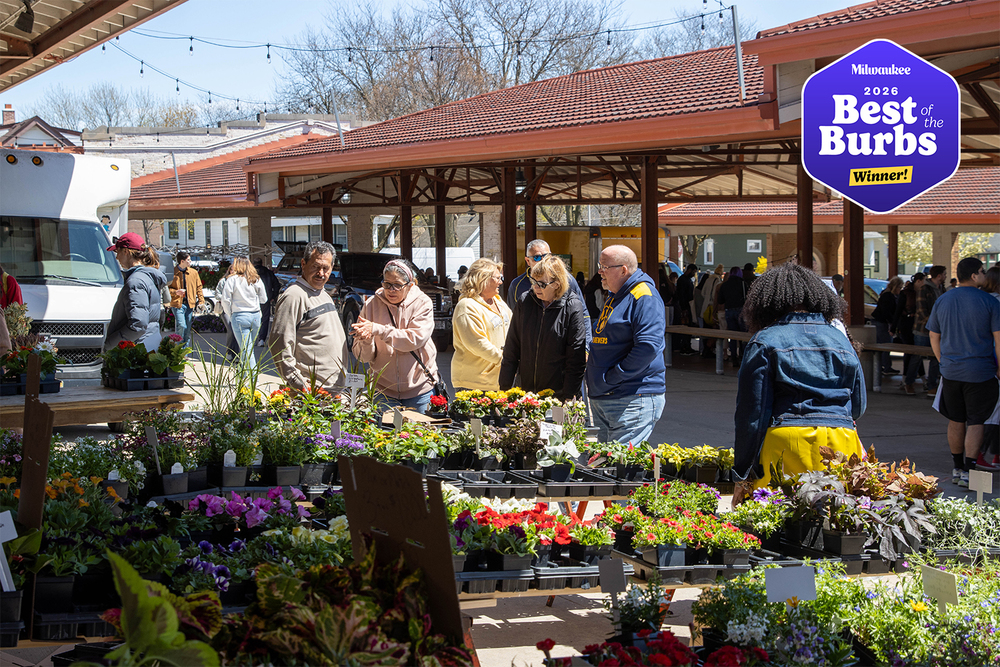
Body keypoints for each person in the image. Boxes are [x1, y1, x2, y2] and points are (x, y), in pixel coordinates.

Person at [731, 263, 866, 503]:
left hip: (787, 441)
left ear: (765, 303)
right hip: (842, 441)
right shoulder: (840, 339)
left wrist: (742, 473)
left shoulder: (764, 341)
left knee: (779, 526)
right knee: (833, 523)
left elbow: (752, 415)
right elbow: (858, 406)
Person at [927, 257, 1000, 488]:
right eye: (982, 271)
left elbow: (933, 335)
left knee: (956, 419)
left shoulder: (943, 299)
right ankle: (970, 467)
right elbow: (999, 340)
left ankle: (957, 466)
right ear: (975, 274)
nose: (985, 275)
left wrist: (942, 361)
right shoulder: (990, 302)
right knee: (976, 420)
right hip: (981, 371)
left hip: (951, 370)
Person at [586, 245, 665, 445]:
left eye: (605, 266)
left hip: (630, 397)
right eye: (599, 265)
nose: (599, 271)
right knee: (604, 467)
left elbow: (647, 347)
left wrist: (614, 376)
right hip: (607, 396)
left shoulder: (644, 296)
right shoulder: (616, 295)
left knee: (619, 468)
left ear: (623, 270)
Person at [351, 259, 440, 414]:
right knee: (383, 437)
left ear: (410, 285)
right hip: (383, 391)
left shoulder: (422, 303)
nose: (391, 289)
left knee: (420, 437)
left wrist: (378, 330)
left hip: (419, 390)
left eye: (397, 285)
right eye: (387, 284)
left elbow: (414, 339)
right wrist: (366, 341)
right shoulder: (371, 305)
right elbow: (363, 358)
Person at [499, 255, 587, 399]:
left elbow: (576, 358)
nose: (535, 287)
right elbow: (512, 347)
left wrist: (569, 397)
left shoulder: (572, 306)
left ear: (557, 284)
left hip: (558, 394)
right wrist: (504, 389)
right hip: (527, 393)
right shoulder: (525, 301)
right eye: (533, 282)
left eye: (542, 284)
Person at [268, 241, 348, 390]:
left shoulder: (324, 294)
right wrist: (297, 381)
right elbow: (279, 344)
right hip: (311, 394)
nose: (321, 273)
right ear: (303, 264)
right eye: (316, 267)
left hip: (333, 391)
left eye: (326, 268)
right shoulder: (294, 296)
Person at [506, 240, 590, 338]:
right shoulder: (517, 285)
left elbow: (583, 314)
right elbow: (512, 320)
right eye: (537, 257)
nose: (542, 260)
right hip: (531, 346)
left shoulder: (567, 280)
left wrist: (586, 347)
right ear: (528, 261)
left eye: (546, 256)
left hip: (563, 343)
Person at [451, 258, 511, 391]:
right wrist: (507, 360)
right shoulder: (466, 306)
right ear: (482, 278)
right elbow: (477, 343)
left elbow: (514, 329)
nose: (501, 281)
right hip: (473, 384)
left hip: (499, 380)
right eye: (497, 278)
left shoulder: (498, 301)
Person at [104, 233, 168, 351]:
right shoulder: (146, 277)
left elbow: (138, 325)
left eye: (117, 252)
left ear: (126, 252)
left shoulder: (136, 281)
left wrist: (109, 345)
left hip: (136, 350)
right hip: (147, 345)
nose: (117, 257)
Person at [219, 257, 268, 370]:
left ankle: (251, 379)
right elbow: (264, 299)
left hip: (239, 315)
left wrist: (230, 314)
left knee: (246, 350)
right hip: (255, 315)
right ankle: (245, 376)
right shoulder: (256, 279)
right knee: (248, 349)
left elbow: (225, 300)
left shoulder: (232, 280)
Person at [910, 265, 946, 396]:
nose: (946, 276)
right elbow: (921, 310)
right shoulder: (924, 289)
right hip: (922, 330)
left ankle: (932, 386)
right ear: (939, 276)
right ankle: (909, 382)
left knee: (936, 358)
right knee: (917, 357)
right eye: (944, 274)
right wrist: (934, 324)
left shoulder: (942, 289)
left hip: (937, 330)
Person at [977, 265, 1000, 471]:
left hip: (977, 362)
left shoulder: (978, 300)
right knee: (993, 413)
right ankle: (982, 453)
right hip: (992, 363)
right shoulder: (995, 303)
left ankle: (990, 454)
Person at [894, 272, 924, 394]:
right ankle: (907, 378)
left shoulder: (921, 293)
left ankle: (915, 378)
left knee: (917, 353)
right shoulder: (906, 293)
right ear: (918, 281)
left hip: (916, 325)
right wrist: (894, 327)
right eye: (923, 280)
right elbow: (898, 310)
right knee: (911, 352)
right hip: (906, 324)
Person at [168, 251, 205, 348]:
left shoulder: (193, 272)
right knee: (181, 325)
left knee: (187, 329)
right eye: (188, 260)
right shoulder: (172, 272)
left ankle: (184, 352)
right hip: (177, 304)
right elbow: (167, 288)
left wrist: (201, 301)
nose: (190, 261)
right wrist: (176, 292)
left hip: (190, 304)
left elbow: (199, 288)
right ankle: (177, 349)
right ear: (182, 261)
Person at [717, 267, 748, 367]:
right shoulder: (743, 284)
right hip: (741, 310)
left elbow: (720, 300)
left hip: (729, 311)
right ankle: (743, 356)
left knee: (732, 335)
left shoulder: (725, 285)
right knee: (743, 335)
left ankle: (733, 357)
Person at [872, 276, 904, 375]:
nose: (900, 290)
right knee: (885, 344)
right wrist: (892, 324)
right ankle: (886, 367)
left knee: (884, 344)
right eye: (900, 287)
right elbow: (886, 312)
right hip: (882, 322)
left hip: (882, 322)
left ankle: (884, 366)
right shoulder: (887, 296)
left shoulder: (889, 295)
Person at [253, 257, 282, 347]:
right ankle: (261, 339)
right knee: (265, 319)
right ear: (262, 263)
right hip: (266, 299)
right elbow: (277, 285)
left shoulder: (250, 274)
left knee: (253, 318)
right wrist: (273, 296)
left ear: (253, 263)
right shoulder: (269, 273)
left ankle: (252, 338)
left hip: (252, 299)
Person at [673, 264, 698, 355]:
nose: (694, 273)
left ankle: (687, 345)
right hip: (685, 306)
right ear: (690, 270)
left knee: (688, 325)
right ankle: (684, 346)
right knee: (685, 326)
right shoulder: (683, 280)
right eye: (694, 271)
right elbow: (682, 294)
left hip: (687, 305)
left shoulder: (685, 279)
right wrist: (683, 308)